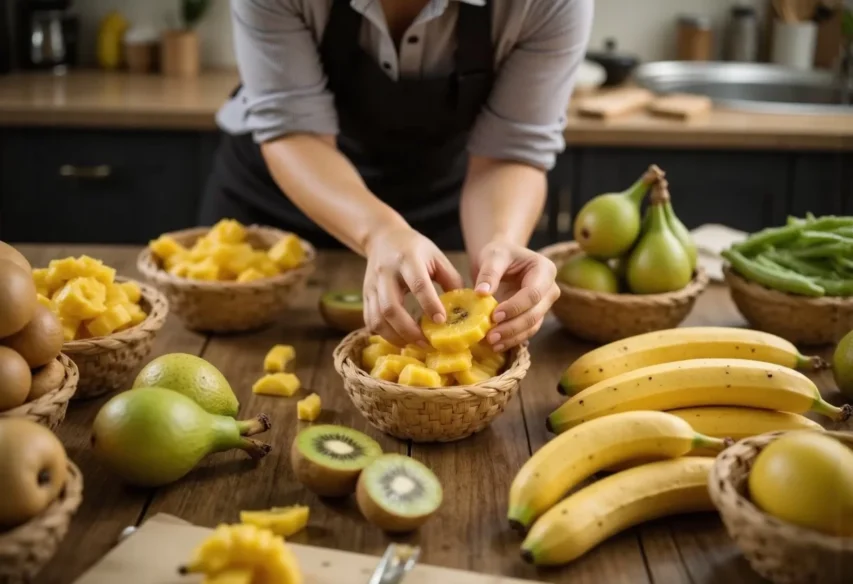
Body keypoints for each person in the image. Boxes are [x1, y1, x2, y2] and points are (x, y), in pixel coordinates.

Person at [202, 0, 594, 351]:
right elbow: (296, 133)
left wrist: (500, 245)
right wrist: (380, 232)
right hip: (276, 205)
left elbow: (507, 154)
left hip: (439, 203)